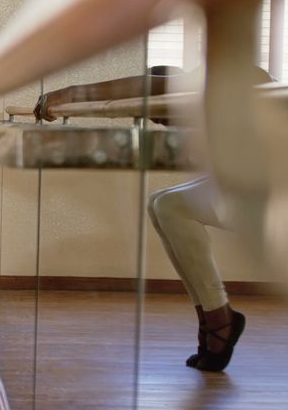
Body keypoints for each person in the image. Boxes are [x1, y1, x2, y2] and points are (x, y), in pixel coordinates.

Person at [34, 64, 272, 372]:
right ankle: (215, 317)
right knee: (164, 203)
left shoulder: (215, 83)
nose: (159, 121)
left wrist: (65, 95)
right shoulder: (214, 100)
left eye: (160, 116)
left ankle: (219, 320)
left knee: (171, 206)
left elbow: (148, 86)